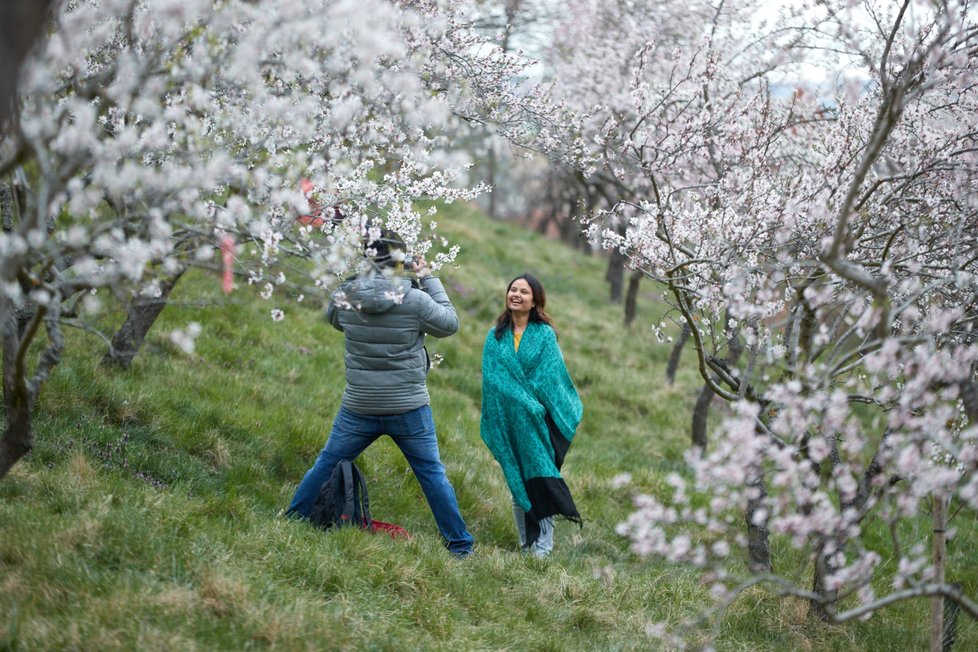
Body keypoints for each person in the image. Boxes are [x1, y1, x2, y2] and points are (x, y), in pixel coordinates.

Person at [287, 229, 475, 557]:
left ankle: (294, 518)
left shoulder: (345, 297)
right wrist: (428, 278)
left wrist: (349, 280)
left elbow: (334, 320)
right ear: (399, 260)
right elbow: (449, 323)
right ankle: (460, 545)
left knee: (327, 463)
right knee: (432, 474)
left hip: (359, 405)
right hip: (408, 406)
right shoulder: (414, 300)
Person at [480, 273, 583, 558]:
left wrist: (533, 404)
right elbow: (494, 380)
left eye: (523, 292)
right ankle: (527, 546)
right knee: (518, 484)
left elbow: (551, 378)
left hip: (539, 424)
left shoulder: (545, 335)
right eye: (513, 289)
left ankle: (543, 550)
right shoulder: (495, 337)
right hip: (511, 422)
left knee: (541, 482)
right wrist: (522, 400)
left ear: (535, 300)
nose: (516, 294)